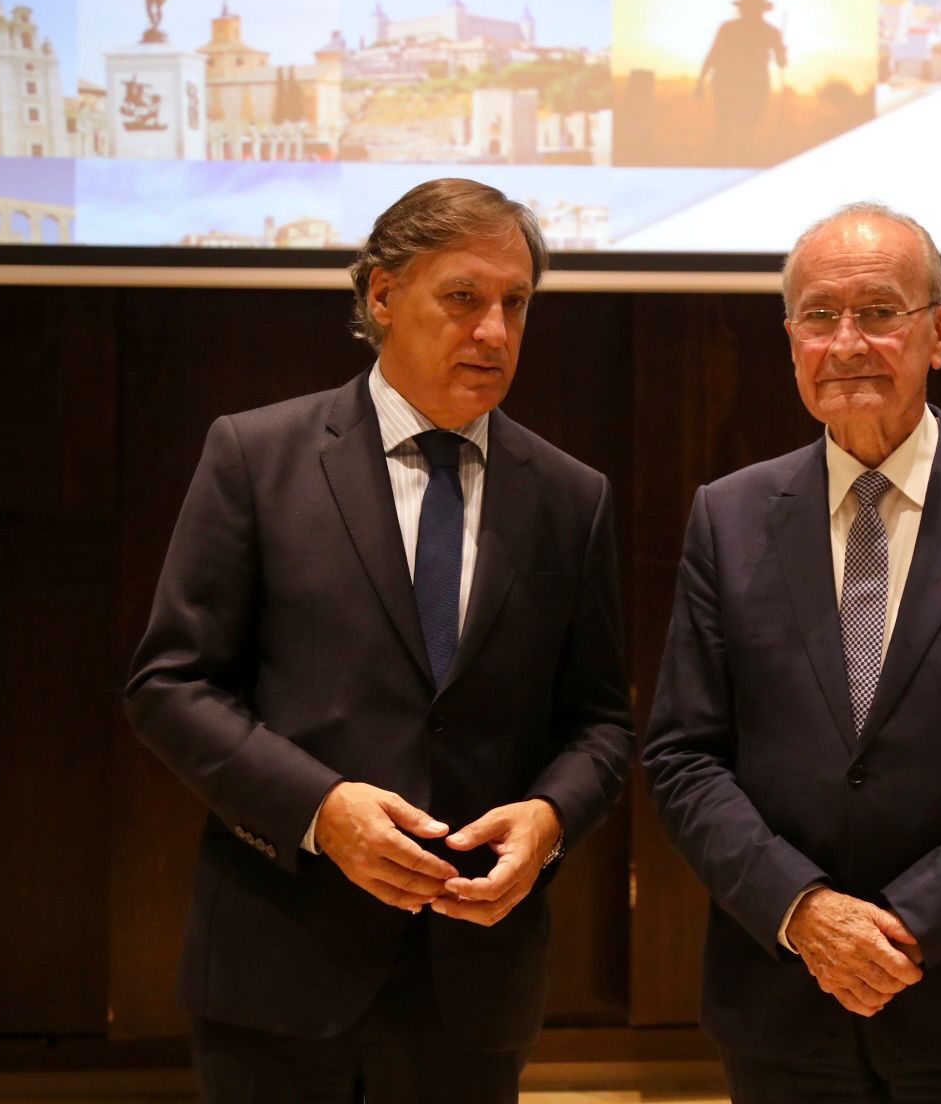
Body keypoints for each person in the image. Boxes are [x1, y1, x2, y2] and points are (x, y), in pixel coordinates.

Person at [125, 178, 632, 1103]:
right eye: (463, 298)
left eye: (515, 305)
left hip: (473, 979)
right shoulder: (256, 456)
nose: (494, 332)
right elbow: (170, 686)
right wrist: (323, 813)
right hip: (280, 962)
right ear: (382, 295)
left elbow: (601, 722)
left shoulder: (570, 496)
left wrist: (551, 821)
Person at [642, 202, 941, 1102]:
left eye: (880, 313)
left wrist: (907, 925)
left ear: (938, 333)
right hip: (787, 1006)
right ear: (791, 340)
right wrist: (807, 912)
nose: (849, 342)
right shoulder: (731, 516)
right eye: (820, 317)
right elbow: (683, 757)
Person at [696, 0, 787, 165]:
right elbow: (782, 63)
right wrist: (781, 50)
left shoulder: (730, 28)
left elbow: (713, 54)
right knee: (740, 126)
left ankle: (723, 163)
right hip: (749, 84)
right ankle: (733, 163)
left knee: (730, 125)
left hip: (730, 82)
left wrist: (701, 81)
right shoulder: (770, 31)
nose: (747, 11)